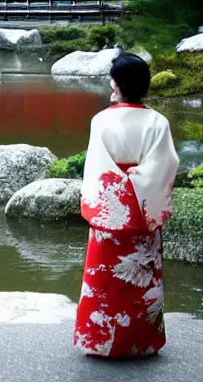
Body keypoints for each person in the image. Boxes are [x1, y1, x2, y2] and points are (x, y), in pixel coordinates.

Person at [74, 53, 179, 358]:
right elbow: (167, 164)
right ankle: (142, 343)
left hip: (110, 211)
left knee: (105, 279)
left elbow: (96, 167)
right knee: (141, 281)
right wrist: (140, 180)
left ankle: (100, 341)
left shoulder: (102, 120)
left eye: (112, 78)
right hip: (144, 210)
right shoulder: (158, 122)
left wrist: (116, 192)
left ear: (117, 84)